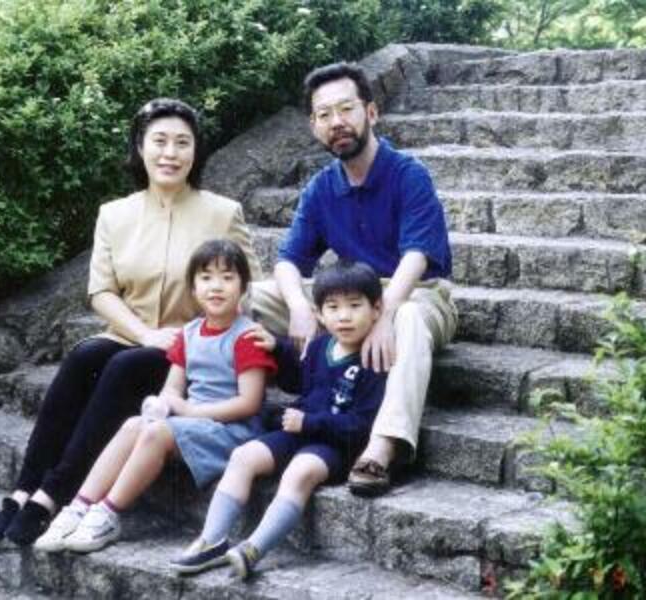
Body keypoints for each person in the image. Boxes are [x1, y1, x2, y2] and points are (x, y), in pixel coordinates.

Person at [0, 99, 261, 545]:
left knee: (124, 367)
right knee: (84, 356)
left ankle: (52, 496)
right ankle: (22, 491)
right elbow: (102, 292)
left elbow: (250, 284)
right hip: (134, 334)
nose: (170, 153)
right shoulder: (115, 214)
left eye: (182, 143)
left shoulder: (222, 213)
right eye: (160, 141)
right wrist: (146, 334)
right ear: (140, 147)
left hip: (188, 349)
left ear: (196, 151)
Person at [250, 62, 457, 497]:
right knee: (252, 297)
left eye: (346, 109)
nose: (337, 122)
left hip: (416, 292)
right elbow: (287, 261)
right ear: (314, 126)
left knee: (408, 319)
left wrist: (386, 314)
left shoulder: (408, 174)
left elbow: (417, 257)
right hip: (349, 296)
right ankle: (238, 409)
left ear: (371, 113)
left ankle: (381, 447)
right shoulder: (321, 188)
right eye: (324, 115)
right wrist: (300, 307)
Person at [31, 239, 277, 553]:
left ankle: (108, 513)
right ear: (193, 289)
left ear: (243, 287)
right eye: (206, 278)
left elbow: (249, 403)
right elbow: (172, 388)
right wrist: (163, 405)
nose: (216, 286)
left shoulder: (247, 336)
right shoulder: (189, 333)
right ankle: (78, 507)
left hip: (232, 431)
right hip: (194, 425)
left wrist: (188, 412)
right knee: (134, 425)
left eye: (227, 278)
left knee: (156, 433)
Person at [171, 259, 387, 577]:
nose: (344, 316)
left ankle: (253, 548)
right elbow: (298, 381)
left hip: (335, 444)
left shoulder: (374, 359)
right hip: (298, 429)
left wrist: (310, 423)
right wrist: (278, 349)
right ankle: (211, 540)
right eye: (333, 307)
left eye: (355, 306)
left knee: (300, 472)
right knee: (243, 456)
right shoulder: (321, 346)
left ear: (376, 309)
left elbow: (363, 425)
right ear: (319, 314)